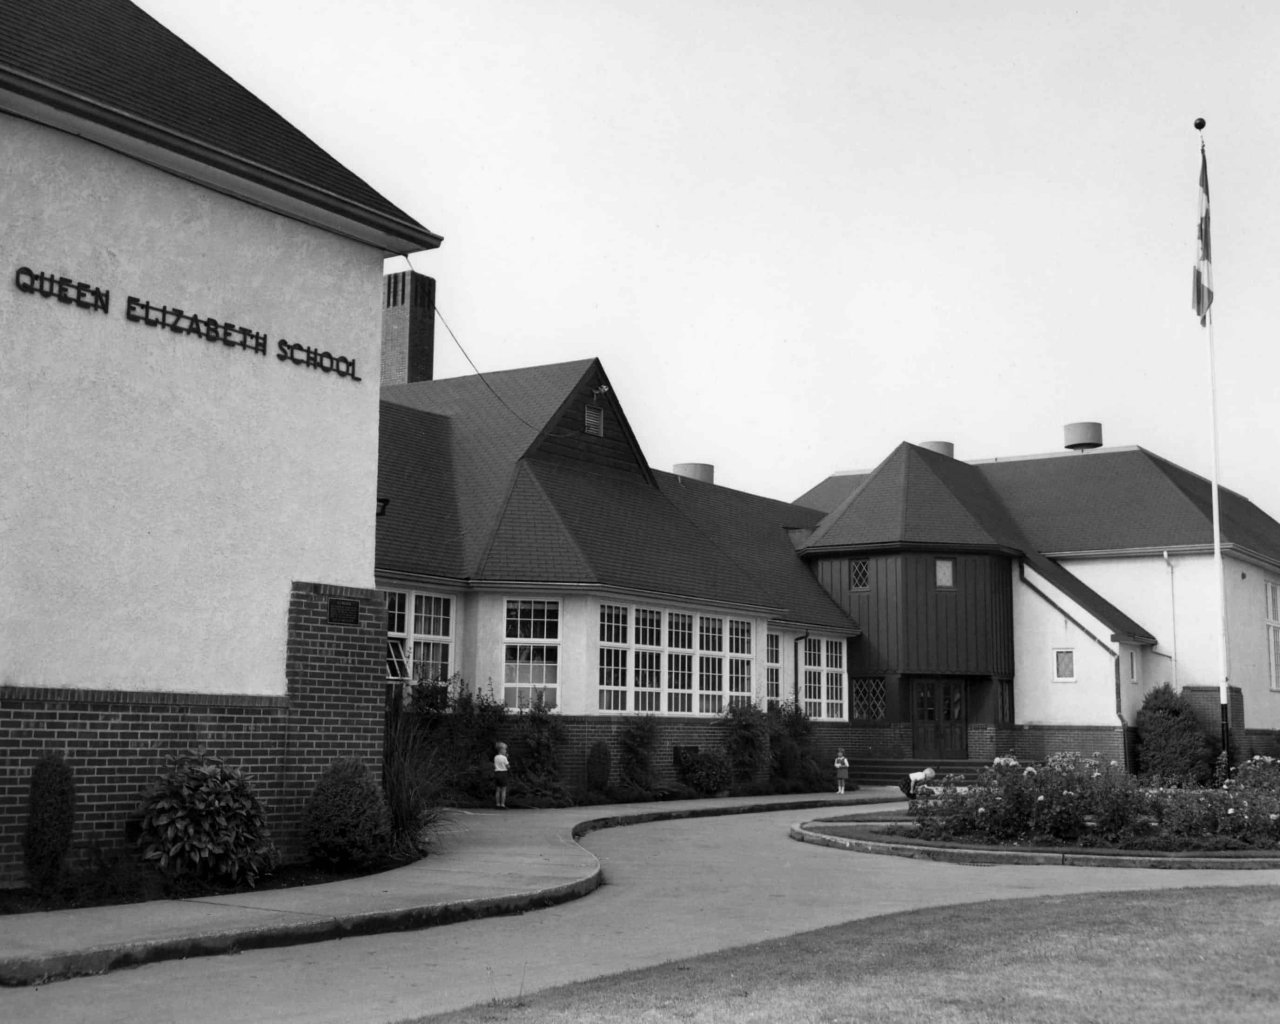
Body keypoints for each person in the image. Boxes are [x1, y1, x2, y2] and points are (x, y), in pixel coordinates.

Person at [493, 742, 510, 808]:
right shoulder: (504, 758)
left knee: (498, 789)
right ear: (501, 750)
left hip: (497, 773)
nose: (506, 751)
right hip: (503, 773)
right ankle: (502, 804)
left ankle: (497, 804)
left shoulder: (495, 757)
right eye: (505, 749)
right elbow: (508, 766)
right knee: (503, 790)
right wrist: (507, 758)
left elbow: (495, 765)